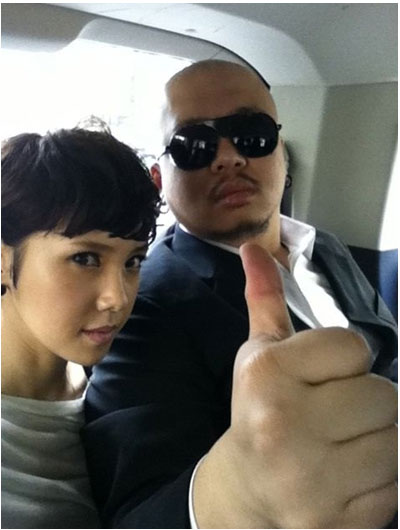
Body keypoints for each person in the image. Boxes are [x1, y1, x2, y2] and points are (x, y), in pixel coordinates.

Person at [83, 60, 397, 529]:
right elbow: (137, 511)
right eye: (193, 146)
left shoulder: (325, 247)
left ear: (282, 154)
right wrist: (233, 499)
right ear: (159, 179)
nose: (228, 157)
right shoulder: (145, 307)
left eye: (252, 135)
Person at [1, 124, 160, 529]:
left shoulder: (121, 383)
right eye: (85, 259)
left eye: (133, 262)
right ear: (3, 260)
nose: (117, 298)